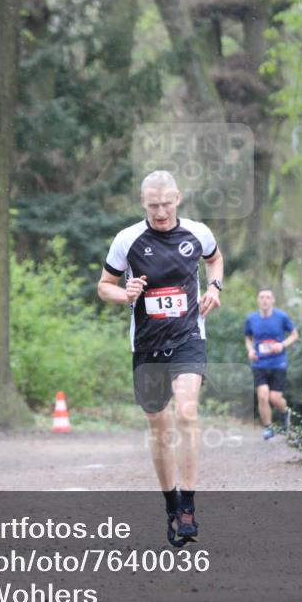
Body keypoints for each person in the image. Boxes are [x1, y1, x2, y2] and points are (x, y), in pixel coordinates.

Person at [97, 171, 224, 546]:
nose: (161, 212)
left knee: (186, 412)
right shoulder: (127, 240)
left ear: (178, 198)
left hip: (188, 338)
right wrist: (125, 293)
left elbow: (215, 260)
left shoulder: (198, 233)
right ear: (143, 203)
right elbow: (104, 286)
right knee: (159, 427)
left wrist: (215, 287)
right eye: (153, 205)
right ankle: (171, 503)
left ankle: (188, 506)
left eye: (167, 204)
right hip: (147, 345)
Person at [244, 289, 298, 440]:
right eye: (262, 297)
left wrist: (282, 344)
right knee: (262, 396)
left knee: (275, 398)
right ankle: (269, 428)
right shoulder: (251, 319)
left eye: (268, 297)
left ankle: (285, 412)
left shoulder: (282, 317)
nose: (265, 300)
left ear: (273, 300)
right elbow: (248, 338)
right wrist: (250, 350)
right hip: (259, 363)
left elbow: (294, 335)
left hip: (278, 363)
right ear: (258, 300)